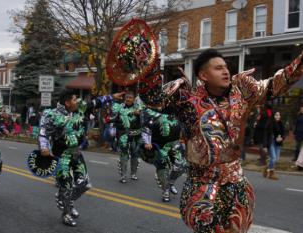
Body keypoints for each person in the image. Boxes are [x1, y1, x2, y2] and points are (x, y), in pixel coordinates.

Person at [106, 18, 303, 232]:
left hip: (237, 186)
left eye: (226, 67)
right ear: (203, 75)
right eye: (218, 68)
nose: (226, 71)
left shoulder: (242, 93)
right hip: (202, 189)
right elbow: (153, 98)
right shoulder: (187, 100)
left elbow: (277, 82)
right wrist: (146, 63)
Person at [38, 88, 124, 226]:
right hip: (61, 156)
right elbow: (43, 133)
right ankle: (66, 214)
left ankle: (67, 200)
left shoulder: (80, 109)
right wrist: (44, 147)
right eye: (74, 99)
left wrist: (112, 96)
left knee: (84, 184)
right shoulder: (51, 115)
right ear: (67, 103)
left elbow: (95, 102)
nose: (77, 101)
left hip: (76, 154)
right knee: (66, 186)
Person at [109, 91, 142, 183]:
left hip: (136, 135)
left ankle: (133, 174)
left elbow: (146, 118)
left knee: (135, 154)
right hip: (123, 134)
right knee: (124, 154)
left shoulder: (138, 108)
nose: (128, 99)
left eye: (130, 97)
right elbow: (112, 115)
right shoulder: (119, 107)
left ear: (134, 99)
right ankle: (123, 175)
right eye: (127, 97)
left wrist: (139, 113)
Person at [263, 111, 285, 180]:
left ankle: (267, 168)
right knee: (273, 158)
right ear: (273, 116)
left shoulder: (281, 124)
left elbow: (284, 133)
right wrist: (265, 146)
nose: (277, 116)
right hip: (271, 142)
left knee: (276, 159)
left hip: (278, 143)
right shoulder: (270, 123)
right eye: (276, 115)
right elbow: (265, 135)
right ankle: (271, 174)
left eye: (279, 115)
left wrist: (281, 138)